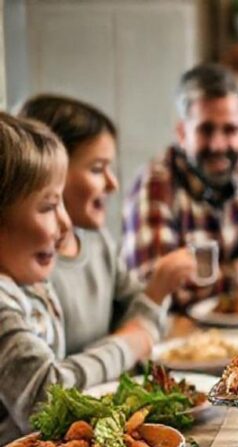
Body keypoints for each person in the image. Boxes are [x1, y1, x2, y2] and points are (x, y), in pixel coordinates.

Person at [0, 114, 147, 445]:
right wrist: (127, 346)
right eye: (50, 206)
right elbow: (45, 398)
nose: (65, 224)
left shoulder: (31, 288)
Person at [18, 94, 196, 360]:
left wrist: (151, 301)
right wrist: (155, 294)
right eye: (97, 169)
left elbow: (146, 326)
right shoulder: (29, 266)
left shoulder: (97, 241)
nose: (113, 184)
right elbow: (51, 378)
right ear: (51, 172)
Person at [121, 63, 238, 308]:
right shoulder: (155, 185)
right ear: (182, 132)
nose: (218, 145)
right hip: (176, 336)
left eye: (230, 130)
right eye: (206, 130)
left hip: (237, 326)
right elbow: (156, 293)